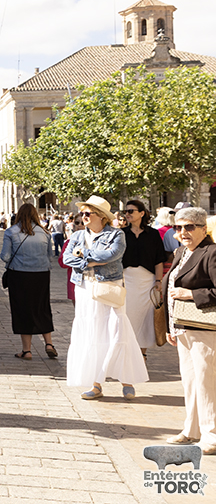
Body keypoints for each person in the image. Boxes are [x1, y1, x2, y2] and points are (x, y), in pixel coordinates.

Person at [62, 195, 148, 401]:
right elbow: (66, 258)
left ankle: (127, 381)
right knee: (92, 333)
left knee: (117, 331)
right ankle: (96, 383)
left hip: (109, 286)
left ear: (100, 216)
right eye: (82, 213)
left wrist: (84, 257)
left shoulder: (116, 234)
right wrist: (88, 262)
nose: (83, 217)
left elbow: (113, 255)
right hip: (85, 289)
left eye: (87, 213)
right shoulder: (77, 235)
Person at [161, 207, 216, 454]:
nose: (183, 232)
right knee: (191, 381)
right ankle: (192, 429)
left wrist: (192, 294)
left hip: (205, 328)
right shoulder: (182, 251)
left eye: (190, 227)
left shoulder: (211, 252)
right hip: (183, 326)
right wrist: (170, 326)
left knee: (207, 382)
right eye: (178, 227)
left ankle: (211, 435)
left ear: (203, 228)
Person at [0, 203, 56, 360]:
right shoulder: (45, 232)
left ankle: (27, 350)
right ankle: (49, 344)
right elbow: (49, 255)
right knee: (42, 307)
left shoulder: (11, 232)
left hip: (20, 274)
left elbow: (5, 256)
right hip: (41, 274)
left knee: (22, 310)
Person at [121, 200, 167, 358]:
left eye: (131, 211)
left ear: (142, 213)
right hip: (126, 280)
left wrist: (159, 281)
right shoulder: (121, 234)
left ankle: (142, 355)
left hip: (147, 281)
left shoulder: (153, 234)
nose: (127, 214)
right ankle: (127, 353)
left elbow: (158, 260)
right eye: (125, 212)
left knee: (145, 318)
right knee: (127, 316)